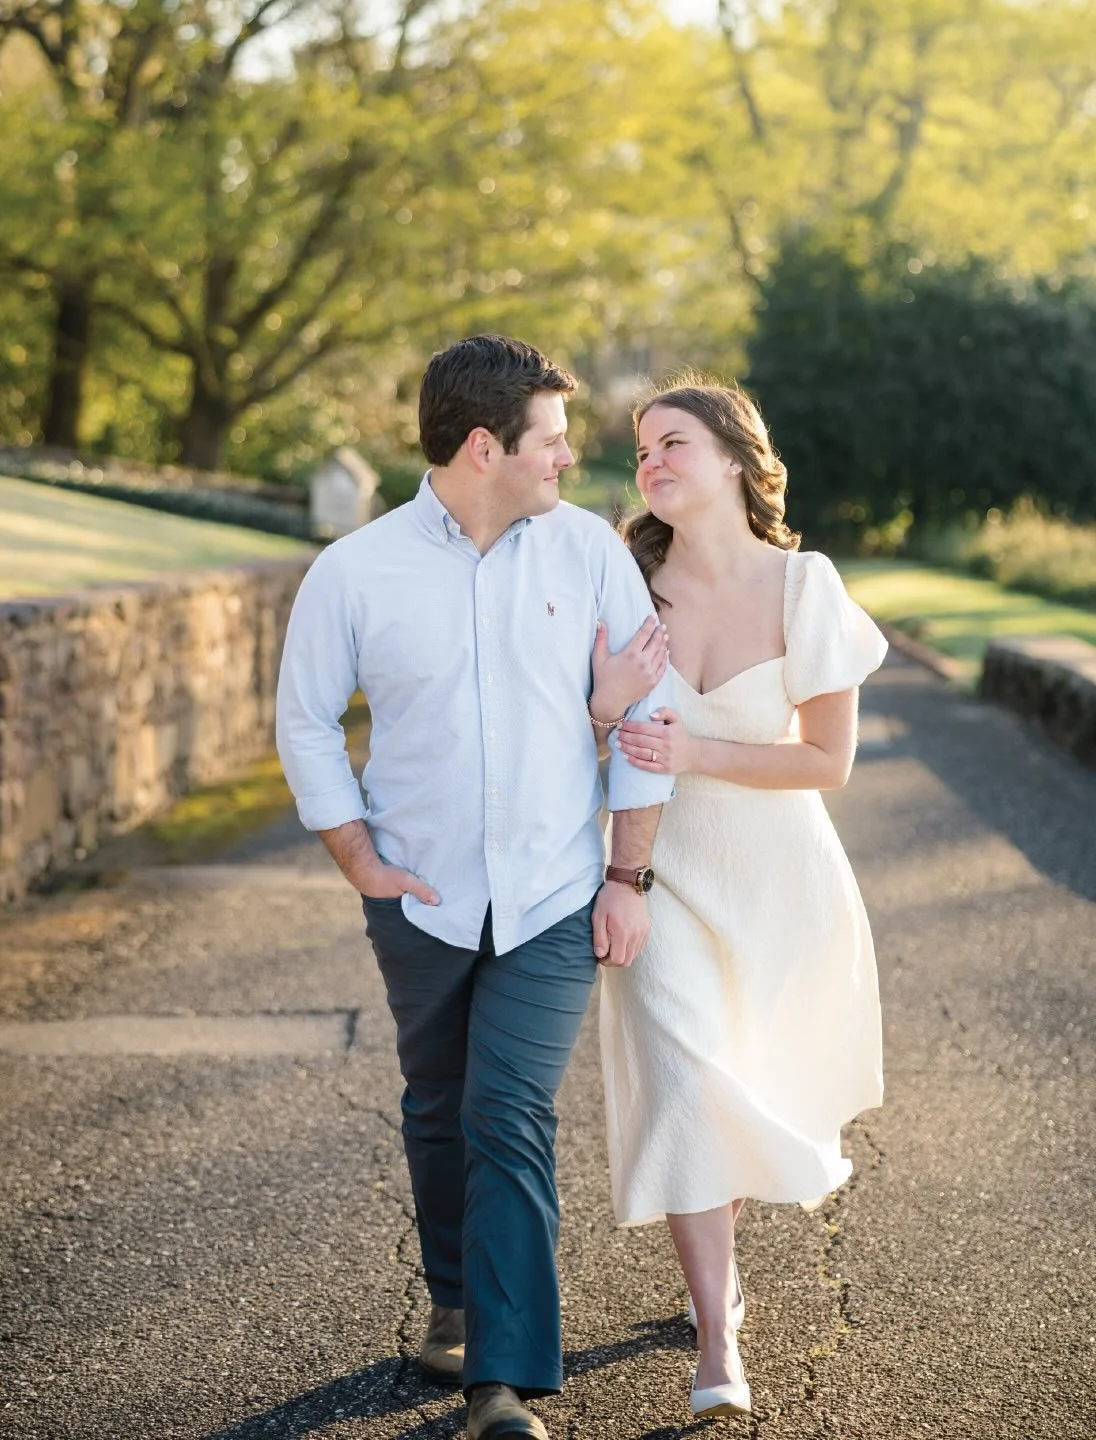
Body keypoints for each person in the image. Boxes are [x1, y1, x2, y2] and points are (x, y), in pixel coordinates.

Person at [275, 335, 674, 1440]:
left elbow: (650, 719)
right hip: (421, 895)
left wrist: (626, 872)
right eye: (550, 438)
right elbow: (304, 719)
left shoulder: (589, 552)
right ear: (485, 445)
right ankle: (452, 1296)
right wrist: (357, 855)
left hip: (553, 895)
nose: (567, 457)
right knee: (439, 1106)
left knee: (509, 1112)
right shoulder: (355, 570)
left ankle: (503, 1382)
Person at [588, 378, 888, 1421]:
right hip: (657, 876)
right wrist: (607, 708)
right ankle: (718, 1335)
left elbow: (828, 762)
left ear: (733, 459)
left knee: (744, 1084)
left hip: (780, 881)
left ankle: (717, 1277)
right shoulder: (625, 583)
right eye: (641, 453)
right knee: (683, 1084)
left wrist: (697, 746)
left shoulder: (806, 587)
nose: (653, 464)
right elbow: (584, 731)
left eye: (673, 443)